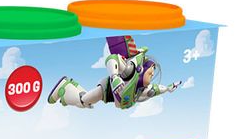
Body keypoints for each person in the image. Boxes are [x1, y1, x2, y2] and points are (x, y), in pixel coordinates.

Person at [48, 35, 181, 110]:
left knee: (85, 102)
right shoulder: (130, 70)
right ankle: (65, 86)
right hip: (107, 89)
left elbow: (157, 90)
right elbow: (112, 59)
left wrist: (168, 88)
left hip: (113, 97)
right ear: (142, 70)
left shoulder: (142, 89)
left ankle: (73, 89)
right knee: (83, 101)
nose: (151, 76)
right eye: (150, 72)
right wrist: (115, 76)